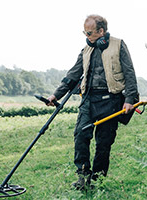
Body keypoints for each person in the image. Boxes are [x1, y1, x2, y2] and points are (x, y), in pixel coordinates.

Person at [47, 14, 138, 189]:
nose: (86, 37)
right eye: (85, 33)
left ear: (101, 31)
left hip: (110, 100)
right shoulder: (86, 49)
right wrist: (55, 95)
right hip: (88, 99)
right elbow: (73, 74)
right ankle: (82, 176)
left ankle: (98, 180)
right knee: (80, 135)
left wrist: (129, 100)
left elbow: (130, 74)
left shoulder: (118, 45)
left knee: (104, 142)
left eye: (89, 33)